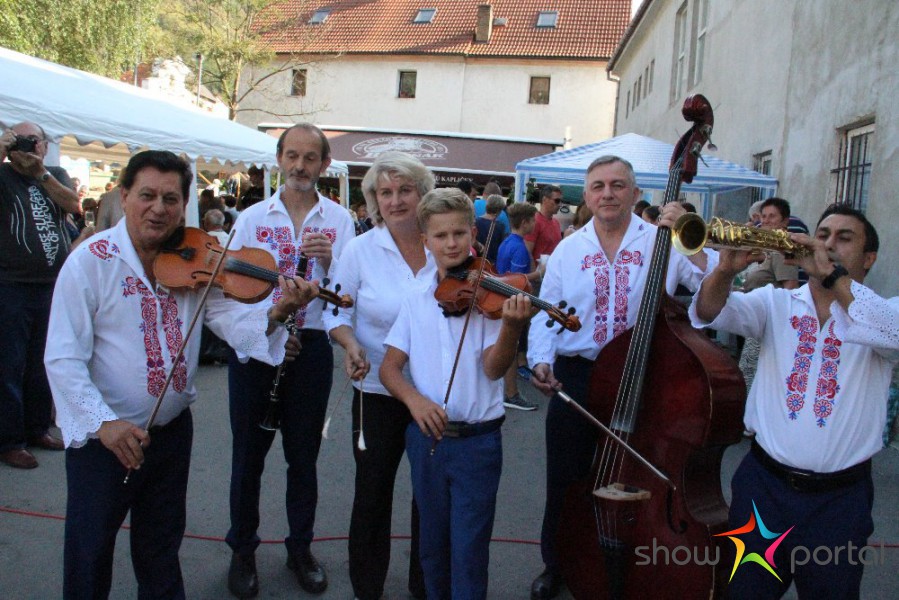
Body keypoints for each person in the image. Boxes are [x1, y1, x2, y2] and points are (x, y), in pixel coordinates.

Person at [43, 149, 318, 599]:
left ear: (183, 204)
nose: (159, 208)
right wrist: (105, 424)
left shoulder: (192, 260)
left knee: (161, 548)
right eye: (147, 195)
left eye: (171, 199)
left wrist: (278, 310)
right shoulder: (91, 261)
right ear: (124, 195)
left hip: (170, 435)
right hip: (105, 440)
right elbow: (62, 358)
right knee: (90, 552)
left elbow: (232, 321)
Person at [526, 156, 716, 599]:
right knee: (567, 477)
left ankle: (638, 557)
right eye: (597, 186)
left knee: (644, 476)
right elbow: (545, 315)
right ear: (586, 195)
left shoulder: (664, 241)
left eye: (617, 185)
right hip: (579, 374)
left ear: (635, 193)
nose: (607, 194)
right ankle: (557, 562)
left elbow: (711, 280)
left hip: (647, 374)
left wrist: (692, 236)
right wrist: (540, 361)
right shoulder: (568, 250)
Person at [690, 203, 898, 598]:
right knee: (744, 593)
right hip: (763, 492)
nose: (829, 244)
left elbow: (892, 336)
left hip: (840, 503)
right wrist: (724, 270)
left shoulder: (885, 312)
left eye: (844, 238)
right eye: (823, 235)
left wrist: (833, 276)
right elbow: (709, 311)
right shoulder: (776, 302)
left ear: (868, 259)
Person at [380, 187, 534, 599]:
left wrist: (512, 329)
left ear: (473, 234)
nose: (451, 243)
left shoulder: (490, 294)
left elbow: (493, 367)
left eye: (459, 234)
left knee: (468, 549)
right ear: (425, 242)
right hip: (426, 439)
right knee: (432, 546)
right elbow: (390, 368)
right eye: (441, 235)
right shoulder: (416, 297)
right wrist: (415, 400)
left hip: (477, 442)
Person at [224, 123, 355, 598]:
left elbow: (348, 292)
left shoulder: (340, 221)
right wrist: (273, 324)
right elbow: (234, 288)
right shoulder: (253, 216)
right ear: (279, 159)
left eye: (310, 158)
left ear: (324, 165)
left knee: (303, 458)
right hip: (260, 342)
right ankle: (242, 550)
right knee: (248, 457)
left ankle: (300, 549)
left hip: (311, 346)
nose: (300, 166)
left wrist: (330, 260)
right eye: (292, 156)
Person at [324, 151, 434, 600]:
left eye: (404, 189)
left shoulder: (446, 241)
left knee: (428, 497)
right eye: (385, 192)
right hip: (375, 389)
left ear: (422, 193)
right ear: (373, 199)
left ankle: (423, 586)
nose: (395, 200)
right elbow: (334, 309)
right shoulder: (359, 249)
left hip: (430, 391)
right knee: (372, 495)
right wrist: (350, 344)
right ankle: (367, 588)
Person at [0, 121, 79, 469]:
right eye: (21, 140)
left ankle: (37, 429)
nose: (28, 146)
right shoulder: (3, 177)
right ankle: (10, 440)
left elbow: (73, 205)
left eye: (33, 140)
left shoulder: (55, 173)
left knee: (42, 363)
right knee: (10, 366)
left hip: (51, 285)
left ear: (44, 146)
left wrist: (41, 173)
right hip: (11, 284)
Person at [738, 197, 800, 389]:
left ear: (784, 221)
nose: (766, 221)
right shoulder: (767, 248)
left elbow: (790, 287)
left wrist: (778, 325)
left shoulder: (782, 250)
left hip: (768, 324)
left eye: (772, 216)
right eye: (764, 216)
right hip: (757, 319)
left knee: (750, 372)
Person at [496, 202, 542, 412]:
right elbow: (515, 280)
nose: (535, 223)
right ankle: (511, 393)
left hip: (502, 300)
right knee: (512, 349)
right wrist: (540, 273)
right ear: (525, 222)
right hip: (510, 302)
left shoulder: (507, 242)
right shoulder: (519, 247)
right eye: (533, 220)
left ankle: (508, 391)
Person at [524, 184, 563, 263]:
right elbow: (527, 252)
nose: (560, 204)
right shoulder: (534, 222)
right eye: (557, 201)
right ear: (544, 200)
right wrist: (536, 274)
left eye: (561, 201)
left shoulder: (556, 222)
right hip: (539, 272)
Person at [475, 194, 508, 263]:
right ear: (499, 210)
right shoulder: (500, 226)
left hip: (477, 261)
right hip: (492, 263)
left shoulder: (475, 221)